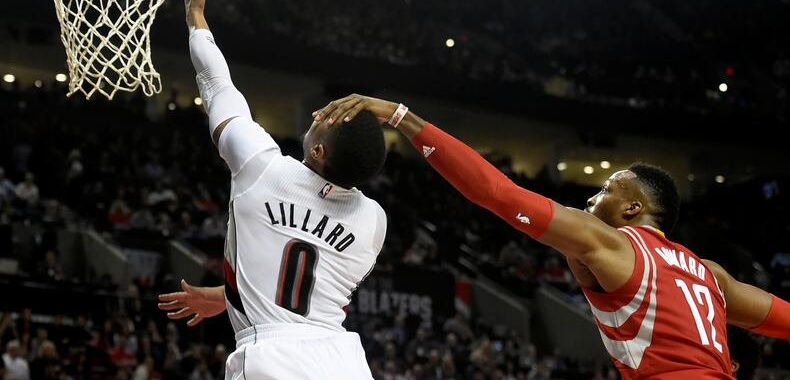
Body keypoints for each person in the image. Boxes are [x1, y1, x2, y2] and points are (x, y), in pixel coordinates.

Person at [313, 94, 790, 379]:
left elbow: (497, 192)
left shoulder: (610, 242)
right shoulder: (711, 275)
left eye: (606, 189)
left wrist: (402, 117)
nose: (592, 199)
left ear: (633, 209)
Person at [157, 0, 388, 380]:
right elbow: (306, 291)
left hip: (272, 358)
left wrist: (195, 14)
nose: (317, 113)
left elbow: (216, 84)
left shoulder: (261, 165)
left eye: (325, 117)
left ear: (319, 150)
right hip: (344, 362)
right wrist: (228, 297)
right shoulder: (374, 221)